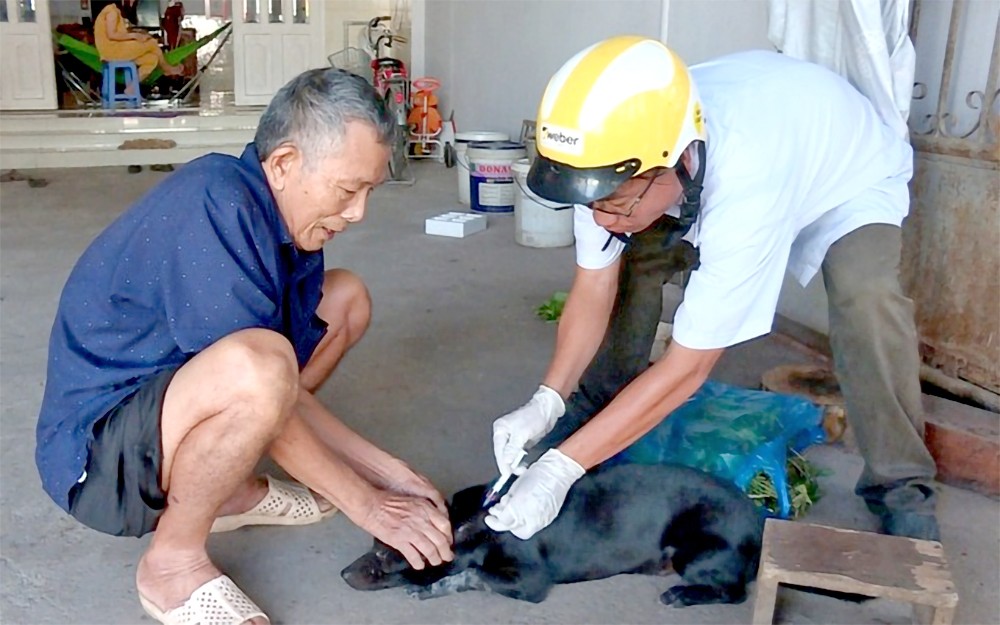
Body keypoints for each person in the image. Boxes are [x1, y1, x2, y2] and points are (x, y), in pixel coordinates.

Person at [35, 68, 453, 625]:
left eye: (369, 192)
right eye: (348, 190)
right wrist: (368, 502)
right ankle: (172, 566)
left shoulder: (281, 214)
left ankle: (224, 491)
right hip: (97, 463)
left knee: (344, 299)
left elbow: (285, 396)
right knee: (261, 364)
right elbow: (265, 380)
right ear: (283, 164)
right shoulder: (217, 204)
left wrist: (390, 471)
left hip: (167, 409)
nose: (358, 213)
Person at [485, 36, 940, 543]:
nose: (597, 214)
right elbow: (593, 285)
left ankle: (903, 488)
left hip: (848, 176)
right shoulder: (609, 153)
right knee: (630, 262)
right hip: (729, 150)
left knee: (867, 300)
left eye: (611, 201)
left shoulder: (749, 185)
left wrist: (559, 471)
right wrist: (548, 396)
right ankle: (586, 417)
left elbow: (689, 368)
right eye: (592, 199)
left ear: (677, 162)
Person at [94, 0, 183, 83]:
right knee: (152, 43)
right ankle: (167, 69)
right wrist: (135, 36)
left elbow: (119, 34)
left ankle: (131, 87)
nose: (132, 3)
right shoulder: (111, 11)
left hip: (117, 49)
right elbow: (112, 35)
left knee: (152, 59)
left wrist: (138, 35)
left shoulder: (116, 12)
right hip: (112, 51)